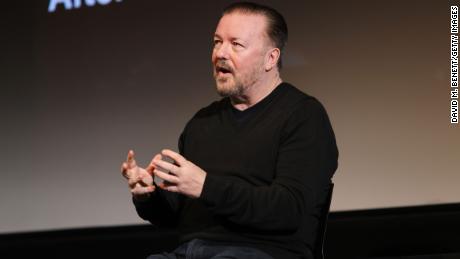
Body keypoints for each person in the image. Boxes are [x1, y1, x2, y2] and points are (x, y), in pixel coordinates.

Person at [121, 2, 338, 259]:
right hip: (191, 252)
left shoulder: (303, 116)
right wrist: (148, 196)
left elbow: (289, 209)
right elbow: (178, 216)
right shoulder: (202, 123)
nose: (220, 53)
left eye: (236, 44)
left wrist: (206, 186)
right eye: (217, 42)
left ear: (271, 58)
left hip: (264, 252)